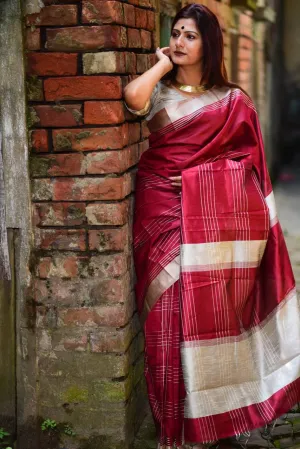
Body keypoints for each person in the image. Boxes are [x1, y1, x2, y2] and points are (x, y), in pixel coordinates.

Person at [124, 4, 300, 449]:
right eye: (176, 33)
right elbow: (133, 99)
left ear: (210, 44)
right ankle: (175, 426)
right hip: (160, 213)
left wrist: (205, 186)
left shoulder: (233, 102)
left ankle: (219, 418)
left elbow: (250, 170)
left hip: (215, 229)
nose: (180, 42)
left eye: (190, 36)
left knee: (215, 316)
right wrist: (162, 62)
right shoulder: (160, 93)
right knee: (166, 317)